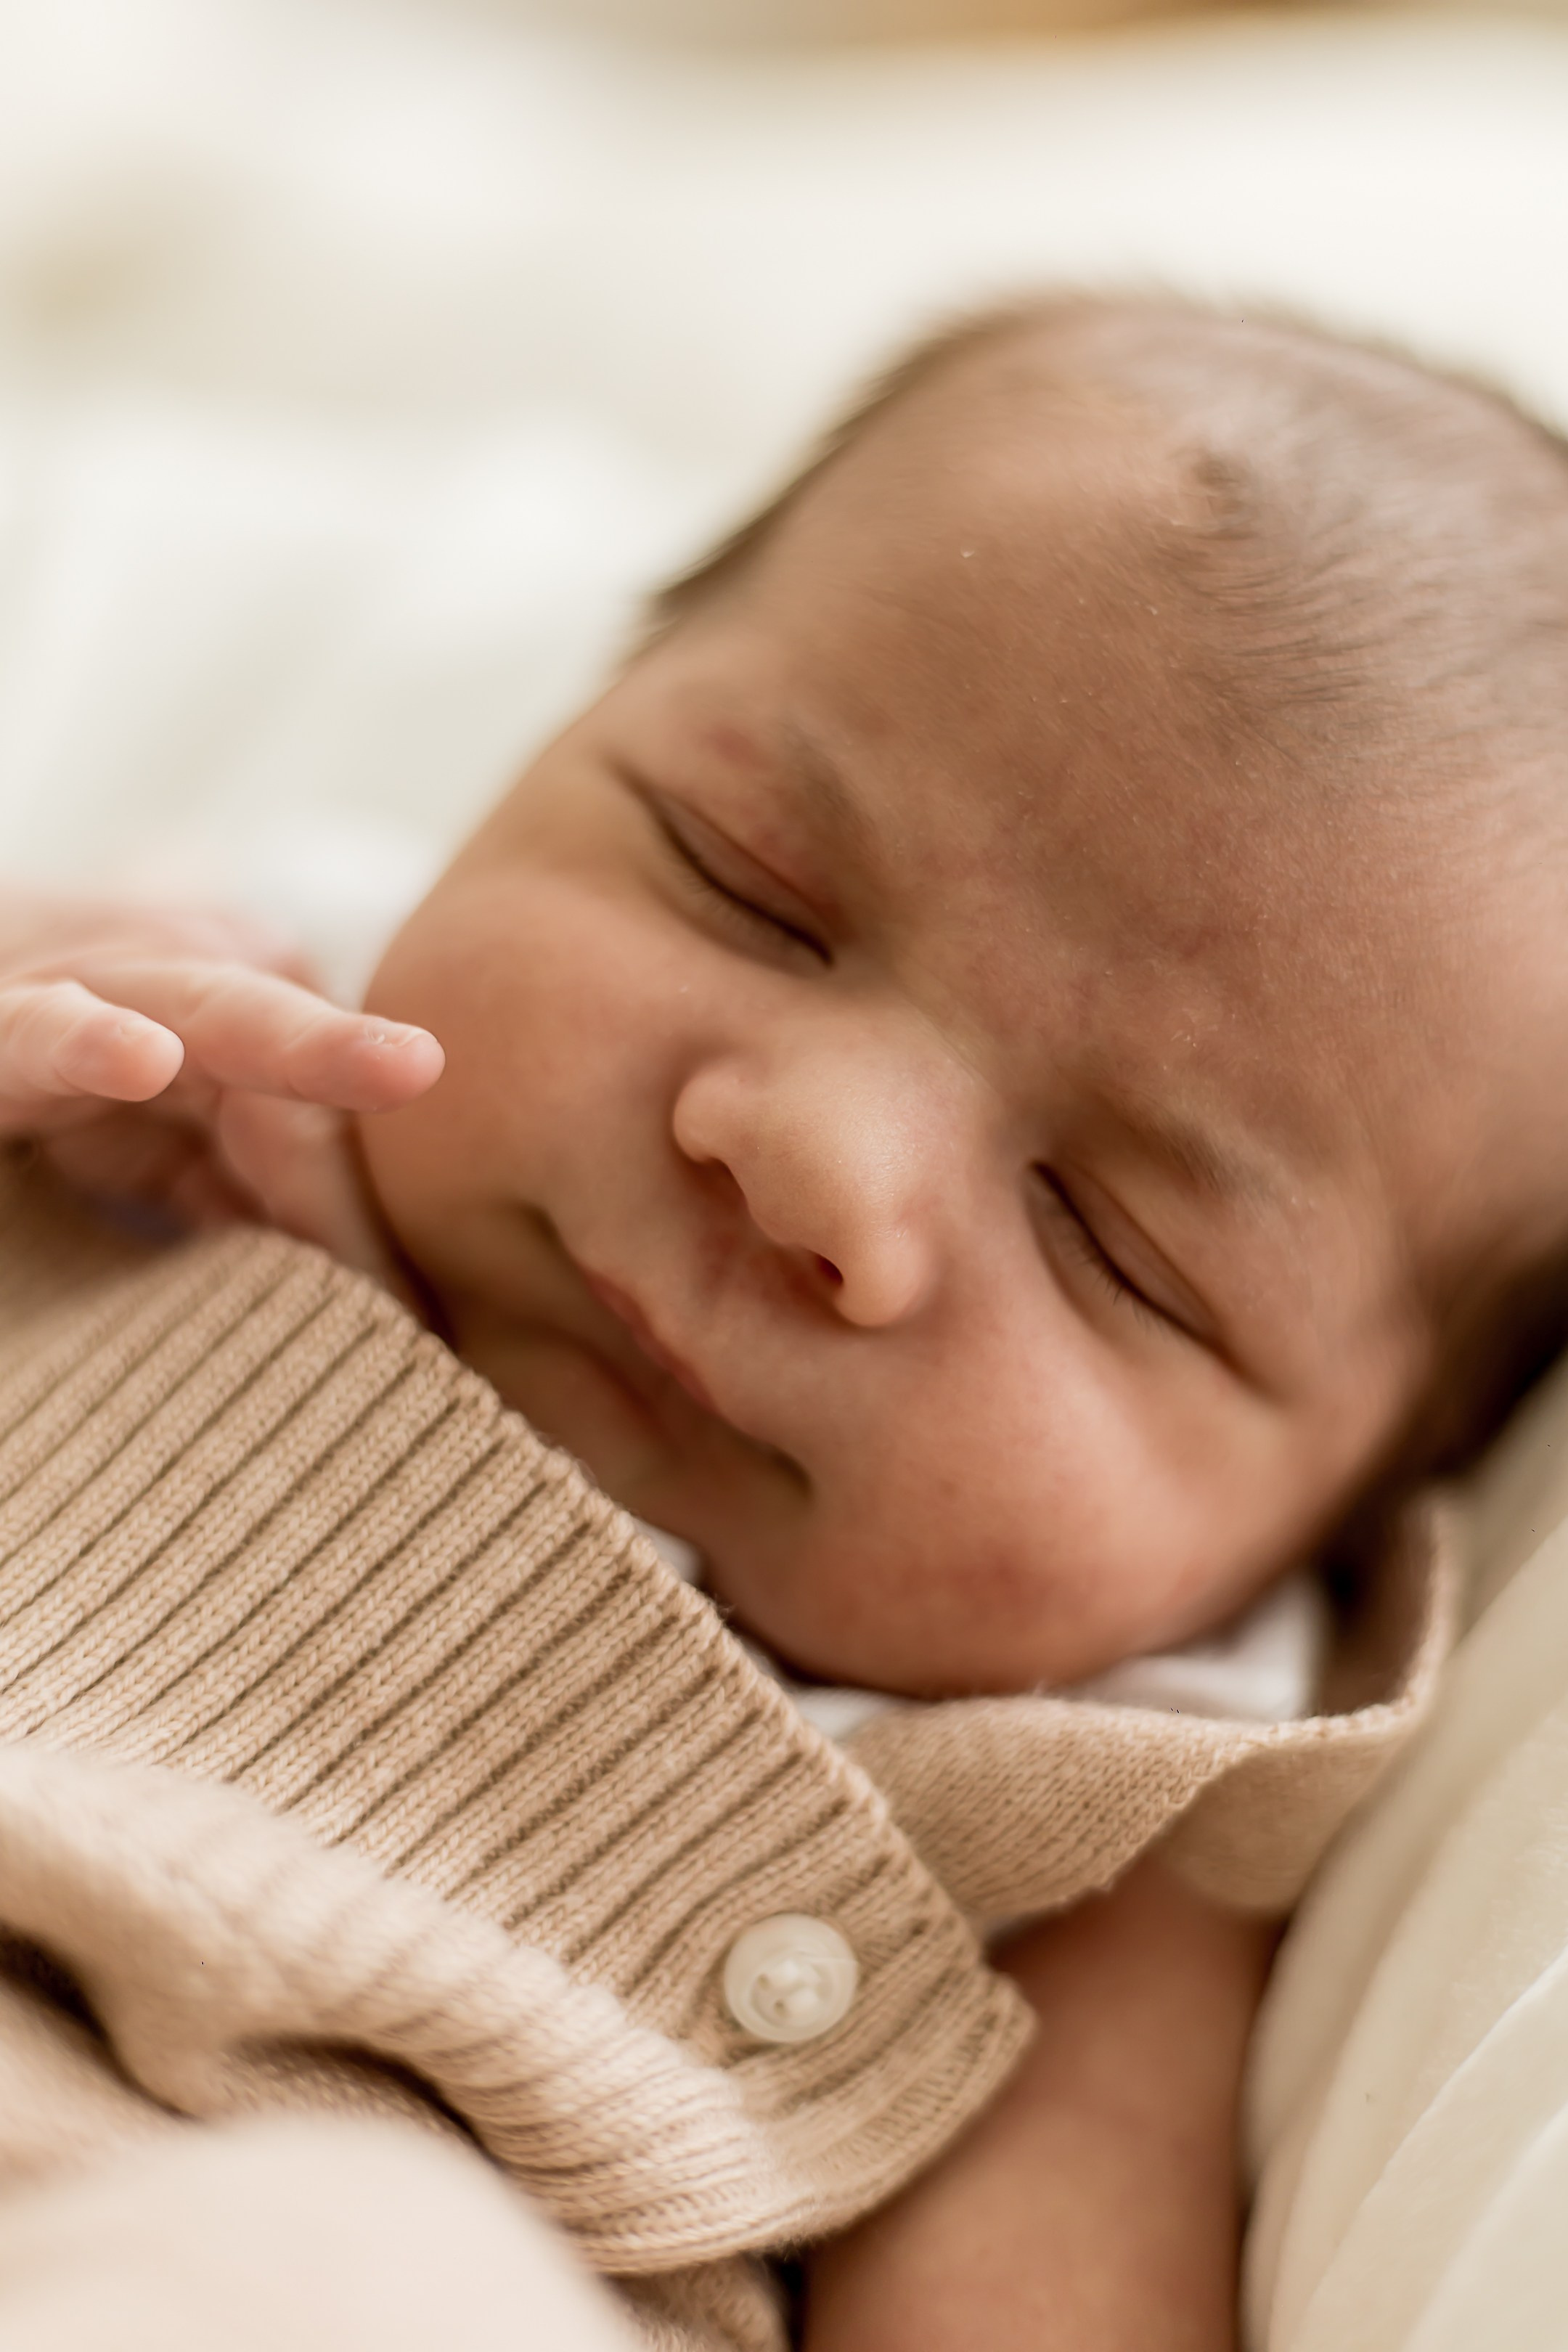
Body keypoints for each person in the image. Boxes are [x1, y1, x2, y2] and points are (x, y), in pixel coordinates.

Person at [0, 295, 1563, 2349]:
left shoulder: (1110, 1798)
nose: (812, 1156)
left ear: (1342, 1494)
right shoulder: (170, 1045)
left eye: (1114, 1239)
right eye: (747, 883)